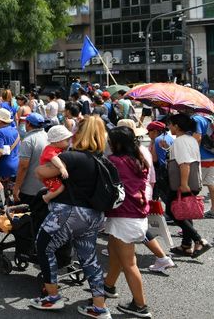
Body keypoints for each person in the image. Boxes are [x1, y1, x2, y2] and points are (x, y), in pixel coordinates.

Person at [31, 115, 109, 317]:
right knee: (89, 258)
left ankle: (52, 297)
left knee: (44, 247)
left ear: (80, 134)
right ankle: (99, 307)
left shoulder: (71, 157)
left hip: (68, 213)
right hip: (93, 216)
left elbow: (41, 172)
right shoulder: (102, 160)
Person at [100, 126, 152, 317]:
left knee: (129, 263)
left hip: (125, 216)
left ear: (117, 143)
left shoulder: (115, 161)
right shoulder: (138, 158)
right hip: (134, 214)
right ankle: (108, 286)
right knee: (115, 254)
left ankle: (140, 306)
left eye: (110, 141)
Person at [166, 113, 211, 258]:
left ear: (177, 126)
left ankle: (199, 240)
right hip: (193, 181)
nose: (169, 127)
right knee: (185, 211)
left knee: (172, 211)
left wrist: (184, 184)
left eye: (170, 124)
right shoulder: (190, 139)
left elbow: (185, 163)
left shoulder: (180, 141)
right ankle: (186, 245)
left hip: (183, 183)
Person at [13, 113, 47, 205]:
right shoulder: (48, 136)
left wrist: (16, 188)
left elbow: (23, 166)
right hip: (46, 187)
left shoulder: (28, 140)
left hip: (29, 189)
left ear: (28, 123)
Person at [0, 108, 20, 207]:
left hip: (4, 167)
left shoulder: (0, 132)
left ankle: (1, 211)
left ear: (0, 120)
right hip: (15, 165)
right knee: (10, 193)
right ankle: (11, 212)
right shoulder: (15, 130)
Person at [40, 125, 72, 203]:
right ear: (58, 141)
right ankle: (46, 197)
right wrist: (61, 168)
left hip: (51, 174)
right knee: (60, 188)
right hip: (49, 176)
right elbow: (54, 158)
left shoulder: (57, 148)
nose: (68, 143)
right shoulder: (49, 150)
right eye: (67, 140)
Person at [191, 114, 214, 217]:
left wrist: (193, 154)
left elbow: (197, 138)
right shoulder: (207, 118)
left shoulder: (196, 119)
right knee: (210, 183)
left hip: (203, 156)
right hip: (210, 154)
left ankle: (189, 209)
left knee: (193, 183)